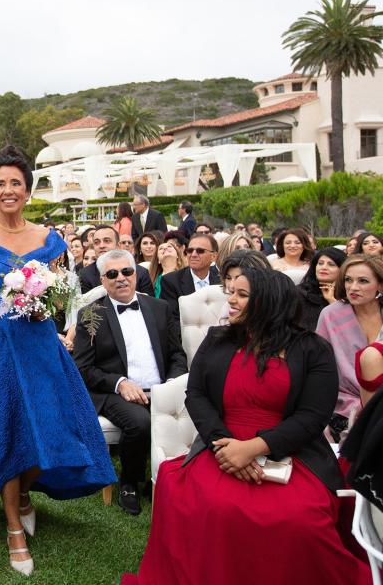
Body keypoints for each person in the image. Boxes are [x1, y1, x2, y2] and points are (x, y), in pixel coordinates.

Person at [123, 268, 371, 585]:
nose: (231, 301)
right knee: (211, 507)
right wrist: (225, 446)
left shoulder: (313, 349)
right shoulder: (217, 339)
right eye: (231, 293)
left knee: (299, 520)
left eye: (241, 295)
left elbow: (312, 416)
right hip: (220, 444)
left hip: (292, 450)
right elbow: (195, 394)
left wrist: (253, 448)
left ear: (268, 301)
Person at [0, 146, 114, 577]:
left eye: (15, 182)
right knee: (4, 426)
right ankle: (14, 529)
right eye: (0, 184)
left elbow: (63, 291)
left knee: (51, 423)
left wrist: (49, 309)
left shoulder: (49, 239)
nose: (7, 190)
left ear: (28, 191)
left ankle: (23, 492)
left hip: (38, 342)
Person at [74, 248, 187, 516]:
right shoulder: (91, 315)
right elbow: (83, 368)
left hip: (161, 388)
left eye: (127, 271)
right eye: (112, 274)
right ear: (102, 280)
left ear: (136, 274)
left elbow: (177, 355)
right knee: (139, 422)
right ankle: (129, 481)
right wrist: (120, 383)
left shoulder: (160, 308)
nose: (121, 278)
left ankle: (179, 479)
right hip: (114, 392)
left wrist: (171, 384)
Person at [316, 254, 383, 435]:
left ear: (380, 285)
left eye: (363, 281)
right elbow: (318, 366)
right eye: (348, 280)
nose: (353, 287)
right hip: (342, 404)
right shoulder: (330, 315)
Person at [157, 233, 221, 322]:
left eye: (200, 251)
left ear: (213, 256)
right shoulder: (171, 281)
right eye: (190, 250)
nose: (193, 255)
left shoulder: (223, 279)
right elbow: (172, 321)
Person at [78, 225, 155, 295]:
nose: (101, 246)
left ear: (118, 245)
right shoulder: (84, 275)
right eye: (97, 242)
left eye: (107, 241)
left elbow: (149, 304)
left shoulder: (141, 272)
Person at [296, 247, 346, 332]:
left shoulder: (348, 294)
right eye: (320, 263)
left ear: (342, 269)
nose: (324, 267)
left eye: (331, 264)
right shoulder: (299, 292)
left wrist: (331, 300)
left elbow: (349, 327)